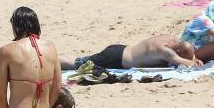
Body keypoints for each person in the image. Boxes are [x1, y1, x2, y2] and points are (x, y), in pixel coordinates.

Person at [60, 34, 200, 70]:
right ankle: (54, 60)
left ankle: (59, 57)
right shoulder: (166, 52)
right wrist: (193, 61)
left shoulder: (171, 39)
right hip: (117, 59)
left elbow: (185, 51)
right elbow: (185, 63)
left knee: (84, 60)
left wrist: (193, 56)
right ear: (178, 51)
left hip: (120, 49)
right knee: (77, 65)